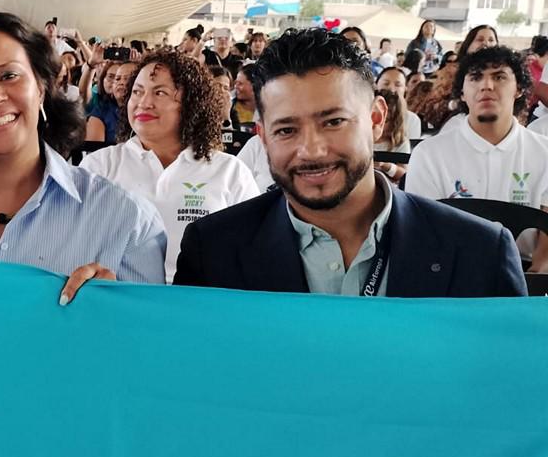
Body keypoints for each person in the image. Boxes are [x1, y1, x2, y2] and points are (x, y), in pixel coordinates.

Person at [173, 28, 526, 297]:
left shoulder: (479, 252)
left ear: (376, 119)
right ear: (263, 137)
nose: (311, 150)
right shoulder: (213, 251)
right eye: (286, 130)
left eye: (333, 122)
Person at [0, 11, 167, 295]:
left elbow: (151, 323)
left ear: (41, 88)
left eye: (9, 76)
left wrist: (115, 311)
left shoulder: (126, 221)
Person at [81, 51, 258, 281]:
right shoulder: (98, 167)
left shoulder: (229, 172)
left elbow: (253, 253)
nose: (144, 103)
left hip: (201, 298)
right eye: (137, 92)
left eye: (160, 93)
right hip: (120, 296)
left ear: (191, 103)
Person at [406, 45, 548, 272]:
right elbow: (422, 233)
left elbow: (545, 248)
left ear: (519, 89)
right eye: (475, 77)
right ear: (462, 92)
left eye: (499, 77)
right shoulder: (429, 155)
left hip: (527, 274)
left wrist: (537, 275)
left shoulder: (544, 153)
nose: (486, 85)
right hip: (450, 273)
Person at [376, 65, 422, 142]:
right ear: (376, 85)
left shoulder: (412, 120)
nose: (391, 89)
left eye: (398, 85)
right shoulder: (364, 113)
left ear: (405, 89)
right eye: (386, 84)